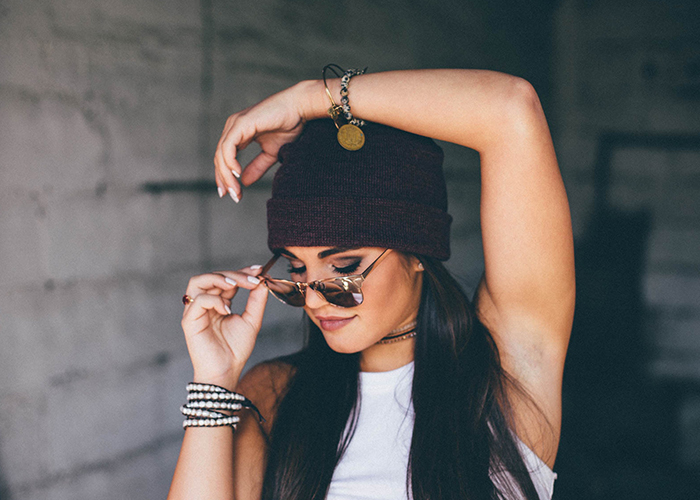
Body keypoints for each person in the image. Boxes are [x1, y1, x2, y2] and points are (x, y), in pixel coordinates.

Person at [167, 68, 575, 500]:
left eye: (344, 267)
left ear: (416, 253)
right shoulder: (276, 393)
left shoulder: (502, 376)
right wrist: (213, 380)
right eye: (296, 269)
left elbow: (509, 108)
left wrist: (309, 99)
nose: (314, 301)